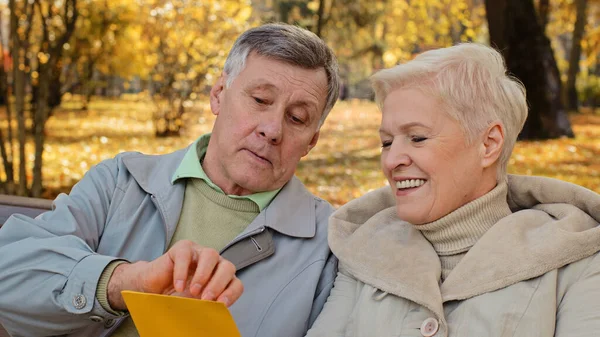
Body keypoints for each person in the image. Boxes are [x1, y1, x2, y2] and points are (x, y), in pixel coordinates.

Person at [0, 23, 340, 337]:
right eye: (260, 100)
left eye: (297, 118)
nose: (272, 129)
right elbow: (9, 275)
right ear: (219, 94)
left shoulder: (328, 245)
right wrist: (126, 283)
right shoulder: (121, 181)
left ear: (311, 141)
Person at [305, 43, 600, 337]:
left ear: (489, 144)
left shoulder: (577, 261)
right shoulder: (364, 248)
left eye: (417, 138)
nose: (392, 160)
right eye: (386, 142)